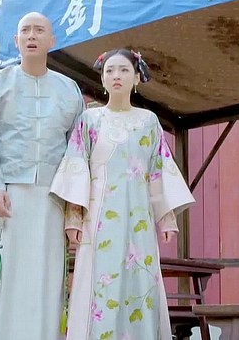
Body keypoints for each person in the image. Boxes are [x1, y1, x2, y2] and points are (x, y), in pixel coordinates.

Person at [0, 12, 85, 340]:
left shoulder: (69, 90)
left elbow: (78, 150)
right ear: (16, 40)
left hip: (50, 203)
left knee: (41, 281)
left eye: (39, 30)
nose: (31, 36)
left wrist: (73, 207)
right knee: (0, 285)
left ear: (52, 41)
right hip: (3, 199)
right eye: (25, 30)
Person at [50, 48, 195, 340]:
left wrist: (166, 217)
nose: (116, 75)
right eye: (110, 71)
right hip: (99, 216)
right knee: (99, 281)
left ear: (137, 78)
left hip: (138, 217)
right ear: (103, 79)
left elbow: (158, 169)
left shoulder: (149, 121)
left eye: (124, 70)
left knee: (139, 278)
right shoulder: (89, 120)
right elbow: (76, 167)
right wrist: (73, 217)